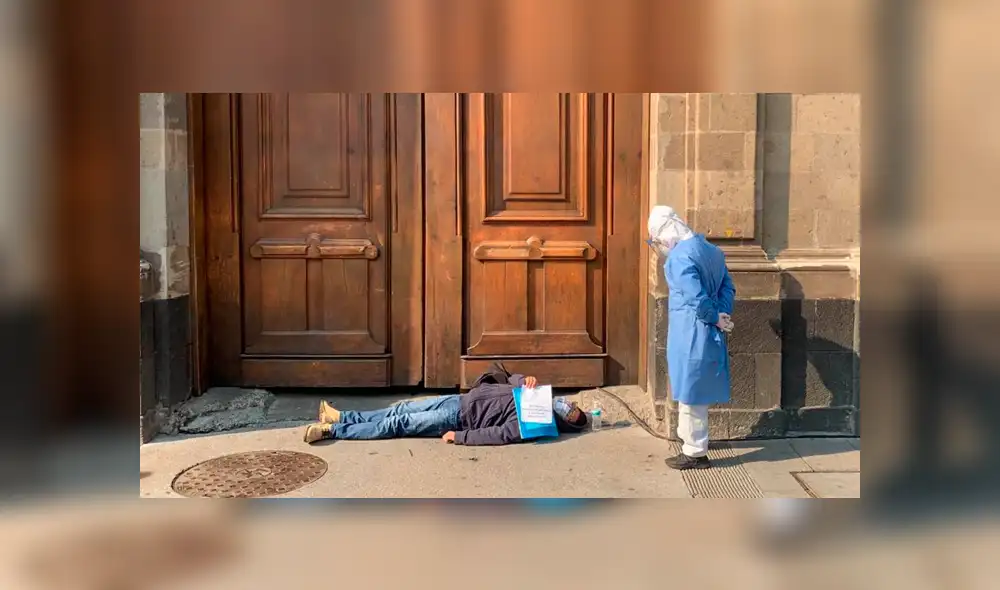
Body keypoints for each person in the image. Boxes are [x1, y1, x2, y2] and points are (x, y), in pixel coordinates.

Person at [302, 362, 588, 445]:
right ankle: (342, 417)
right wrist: (524, 379)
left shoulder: (538, 422)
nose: (568, 406)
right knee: (400, 409)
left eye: (571, 414)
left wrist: (461, 436)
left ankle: (331, 431)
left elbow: (499, 435)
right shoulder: (537, 395)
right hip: (461, 400)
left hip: (460, 420)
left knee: (398, 424)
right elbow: (508, 378)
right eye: (573, 407)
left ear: (565, 422)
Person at [647, 205, 736, 470]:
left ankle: (695, 452)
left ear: (664, 235)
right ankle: (691, 441)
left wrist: (712, 315)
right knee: (694, 387)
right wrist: (721, 313)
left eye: (656, 241)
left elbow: (694, 296)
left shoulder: (678, 259)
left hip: (691, 330)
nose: (659, 246)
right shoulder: (712, 251)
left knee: (691, 391)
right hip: (708, 329)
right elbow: (727, 286)